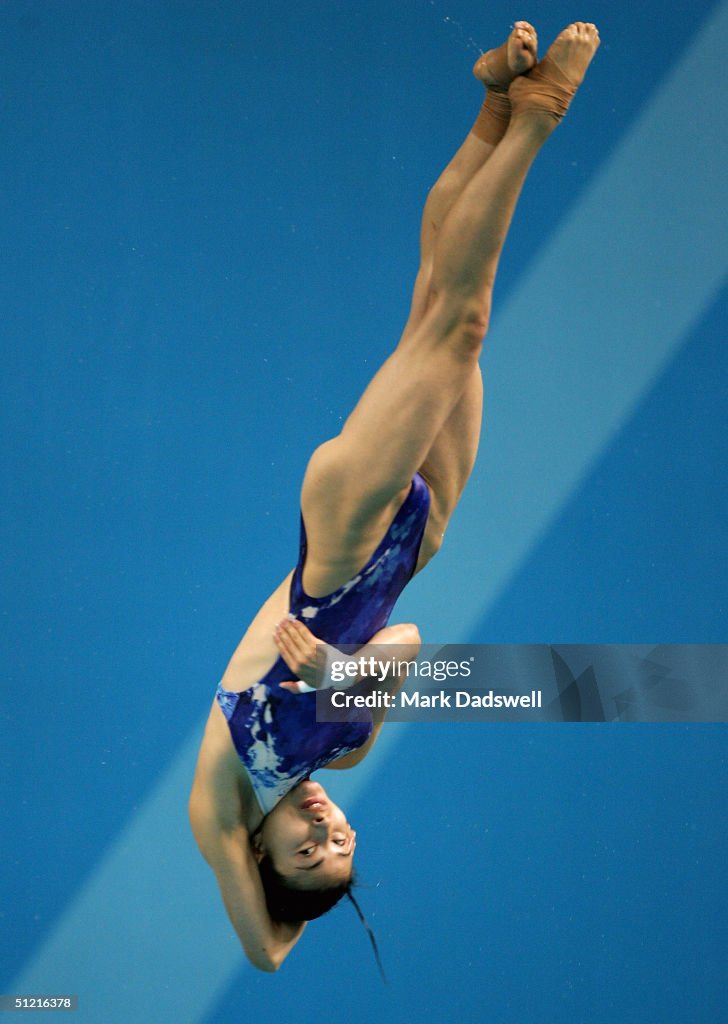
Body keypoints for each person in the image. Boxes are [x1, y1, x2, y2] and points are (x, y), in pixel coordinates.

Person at [189, 20, 601, 972]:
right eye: (341, 845)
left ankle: (538, 116)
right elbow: (410, 641)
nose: (327, 830)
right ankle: (495, 106)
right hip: (420, 538)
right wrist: (340, 677)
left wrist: (286, 903)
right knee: (439, 304)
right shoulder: (344, 753)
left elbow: (268, 955)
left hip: (342, 530)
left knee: (458, 323)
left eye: (304, 849)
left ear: (256, 857)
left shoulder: (221, 799)